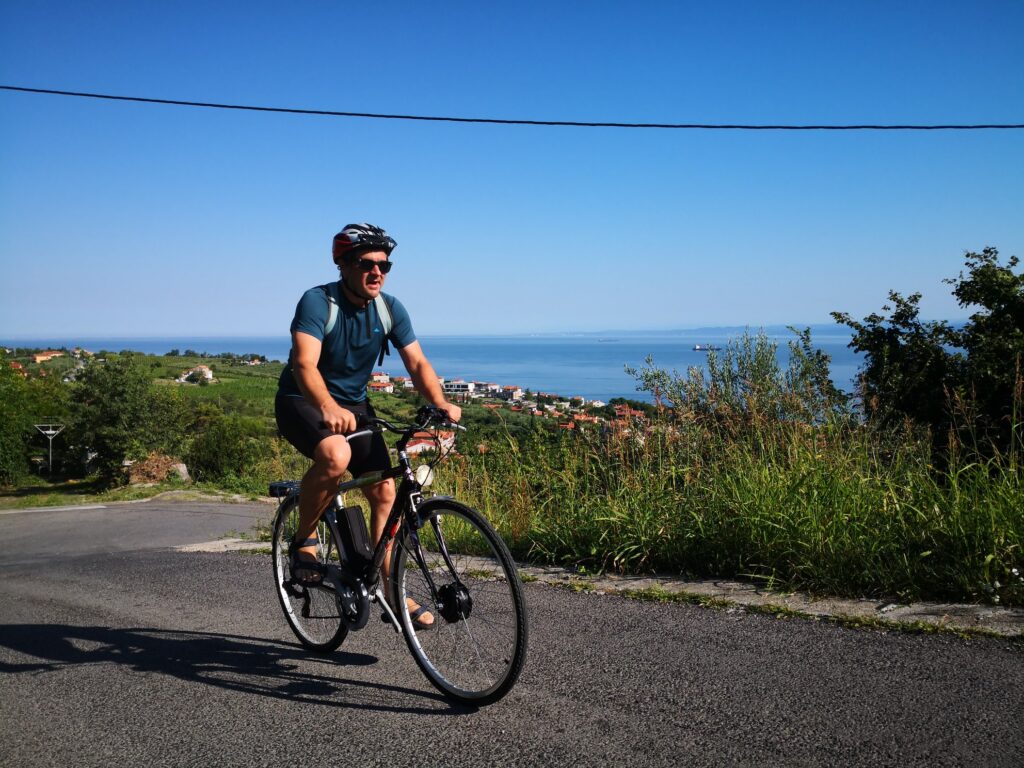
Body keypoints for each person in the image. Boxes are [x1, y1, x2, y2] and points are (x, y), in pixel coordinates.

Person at [275, 223, 461, 629]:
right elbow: (303, 364)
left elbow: (416, 363)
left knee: (385, 490)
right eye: (367, 264)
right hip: (302, 400)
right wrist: (325, 405)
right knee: (335, 453)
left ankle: (393, 587)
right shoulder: (317, 302)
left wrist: (440, 402)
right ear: (342, 264)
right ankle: (304, 540)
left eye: (385, 265)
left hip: (355, 406)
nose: (378, 272)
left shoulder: (389, 308)